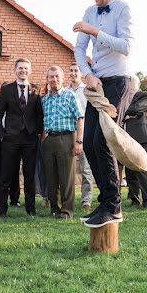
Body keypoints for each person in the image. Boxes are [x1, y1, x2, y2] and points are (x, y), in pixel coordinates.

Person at [73, 0, 135, 228]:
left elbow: (126, 47)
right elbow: (78, 48)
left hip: (119, 81)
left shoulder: (123, 8)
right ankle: (105, 200)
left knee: (103, 140)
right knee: (88, 142)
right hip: (96, 83)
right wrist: (87, 74)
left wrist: (95, 32)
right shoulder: (90, 12)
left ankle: (114, 206)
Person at [0, 58, 43, 217]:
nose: (23, 71)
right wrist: (1, 134)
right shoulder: (7, 90)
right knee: (6, 175)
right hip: (11, 138)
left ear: (30, 70)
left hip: (30, 139)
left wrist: (38, 133)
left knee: (29, 175)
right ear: (15, 70)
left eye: (26, 68)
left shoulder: (36, 89)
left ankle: (30, 209)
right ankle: (2, 210)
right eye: (20, 68)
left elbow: (39, 115)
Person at [40, 66, 84, 218]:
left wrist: (79, 141)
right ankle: (55, 208)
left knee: (66, 177)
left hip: (67, 138)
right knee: (51, 178)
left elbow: (80, 118)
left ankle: (67, 210)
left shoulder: (70, 95)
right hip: (49, 140)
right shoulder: (44, 100)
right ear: (47, 79)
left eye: (57, 76)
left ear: (62, 78)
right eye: (51, 77)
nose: (54, 79)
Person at [122, 76, 147, 208]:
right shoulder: (122, 95)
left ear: (138, 84)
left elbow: (136, 109)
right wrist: (128, 113)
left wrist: (125, 112)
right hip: (124, 137)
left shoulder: (144, 95)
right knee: (129, 170)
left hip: (140, 137)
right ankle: (134, 199)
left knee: (141, 169)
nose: (130, 86)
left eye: (132, 83)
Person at [68, 63, 94, 210]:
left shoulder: (87, 90)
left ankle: (86, 200)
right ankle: (68, 198)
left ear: (81, 73)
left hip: (85, 133)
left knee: (86, 169)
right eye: (71, 71)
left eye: (76, 70)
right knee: (68, 169)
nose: (73, 73)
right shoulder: (64, 91)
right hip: (68, 133)